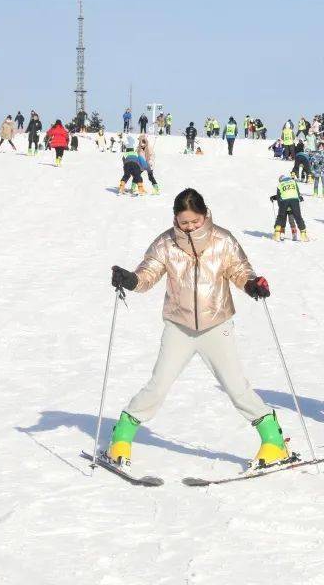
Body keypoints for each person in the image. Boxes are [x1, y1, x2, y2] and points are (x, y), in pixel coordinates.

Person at [105, 189, 288, 469]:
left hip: (217, 324)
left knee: (236, 387)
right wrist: (130, 280)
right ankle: (121, 436)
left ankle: (274, 442)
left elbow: (239, 270)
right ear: (176, 219)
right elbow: (148, 273)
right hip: (179, 326)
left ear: (205, 215)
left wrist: (253, 284)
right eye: (183, 222)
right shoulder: (166, 243)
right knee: (158, 385)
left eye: (194, 221)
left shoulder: (223, 240)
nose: (189, 227)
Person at [270, 174, 308, 242]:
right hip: (294, 200)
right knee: (298, 217)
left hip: (284, 201)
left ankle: (277, 234)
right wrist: (299, 198)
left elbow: (279, 197)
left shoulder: (280, 184)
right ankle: (303, 235)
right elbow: (297, 192)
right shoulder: (293, 182)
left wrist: (281, 207)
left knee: (280, 217)